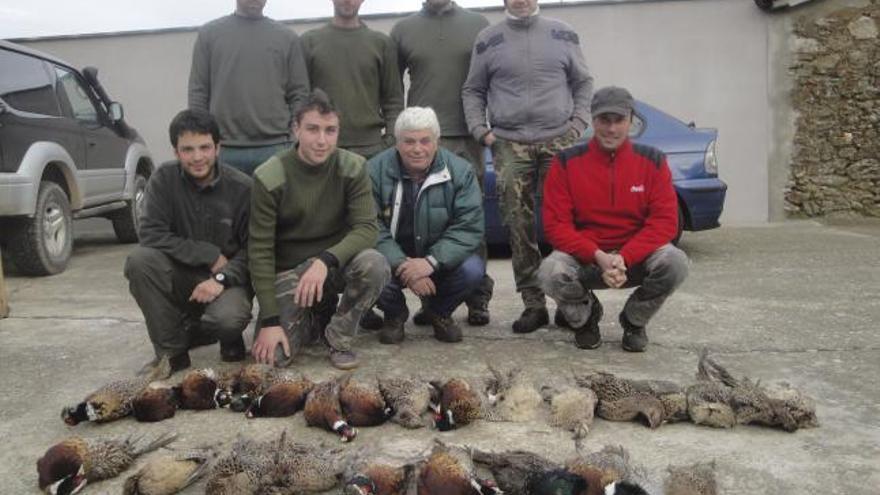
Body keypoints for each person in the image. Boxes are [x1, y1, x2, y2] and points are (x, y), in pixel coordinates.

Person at [462, 0, 594, 334]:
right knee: (517, 224)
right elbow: (473, 90)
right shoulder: (488, 39)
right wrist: (482, 131)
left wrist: (578, 123)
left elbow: (583, 82)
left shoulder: (563, 32)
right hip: (508, 143)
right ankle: (533, 304)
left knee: (564, 221)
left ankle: (569, 299)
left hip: (558, 140)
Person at [538, 86, 689, 352]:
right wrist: (598, 256)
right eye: (604, 120)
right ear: (593, 120)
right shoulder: (565, 163)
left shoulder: (653, 161)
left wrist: (625, 257)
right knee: (549, 272)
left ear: (631, 121)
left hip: (635, 257)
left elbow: (665, 222)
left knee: (676, 262)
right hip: (588, 258)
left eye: (618, 120)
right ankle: (585, 318)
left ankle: (634, 320)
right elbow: (556, 226)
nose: (611, 128)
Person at [248, 90, 390, 370]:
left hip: (332, 264)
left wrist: (325, 261)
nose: (322, 140)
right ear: (295, 130)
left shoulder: (353, 167)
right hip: (290, 272)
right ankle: (314, 316)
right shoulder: (269, 176)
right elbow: (260, 252)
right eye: (313, 129)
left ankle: (339, 337)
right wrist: (270, 321)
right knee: (273, 360)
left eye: (330, 130)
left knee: (375, 264)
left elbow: (367, 228)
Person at [388, 0, 494, 326]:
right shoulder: (403, 30)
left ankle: (477, 297)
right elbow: (393, 91)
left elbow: (492, 80)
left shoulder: (479, 24)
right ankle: (433, 300)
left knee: (469, 224)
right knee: (425, 225)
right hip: (422, 139)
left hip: (466, 137)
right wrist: (398, 137)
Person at [125, 110, 253, 372]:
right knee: (140, 261)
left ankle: (223, 336)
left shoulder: (243, 188)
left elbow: (254, 250)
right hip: (182, 275)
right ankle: (172, 353)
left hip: (228, 280)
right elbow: (151, 234)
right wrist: (209, 254)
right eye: (188, 149)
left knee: (228, 319)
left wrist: (221, 277)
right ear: (176, 152)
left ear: (218, 148)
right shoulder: (163, 180)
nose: (197, 157)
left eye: (205, 147)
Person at [367, 107, 485, 344]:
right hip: (393, 262)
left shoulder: (461, 172)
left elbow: (468, 227)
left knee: (473, 269)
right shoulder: (373, 170)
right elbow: (369, 225)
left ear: (437, 141)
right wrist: (403, 265)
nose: (417, 149)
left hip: (437, 261)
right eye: (409, 141)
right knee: (366, 265)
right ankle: (394, 315)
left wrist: (430, 263)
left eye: (425, 141)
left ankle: (438, 312)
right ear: (396, 142)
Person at [188, 0, 310, 175]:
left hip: (276, 147)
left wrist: (293, 135)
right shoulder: (209, 34)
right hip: (223, 149)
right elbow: (198, 91)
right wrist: (203, 140)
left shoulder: (287, 38)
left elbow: (299, 92)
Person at [301, 0, 404, 160]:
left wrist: (390, 140)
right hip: (322, 147)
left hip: (371, 150)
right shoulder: (309, 42)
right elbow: (300, 98)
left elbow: (393, 100)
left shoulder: (382, 44)